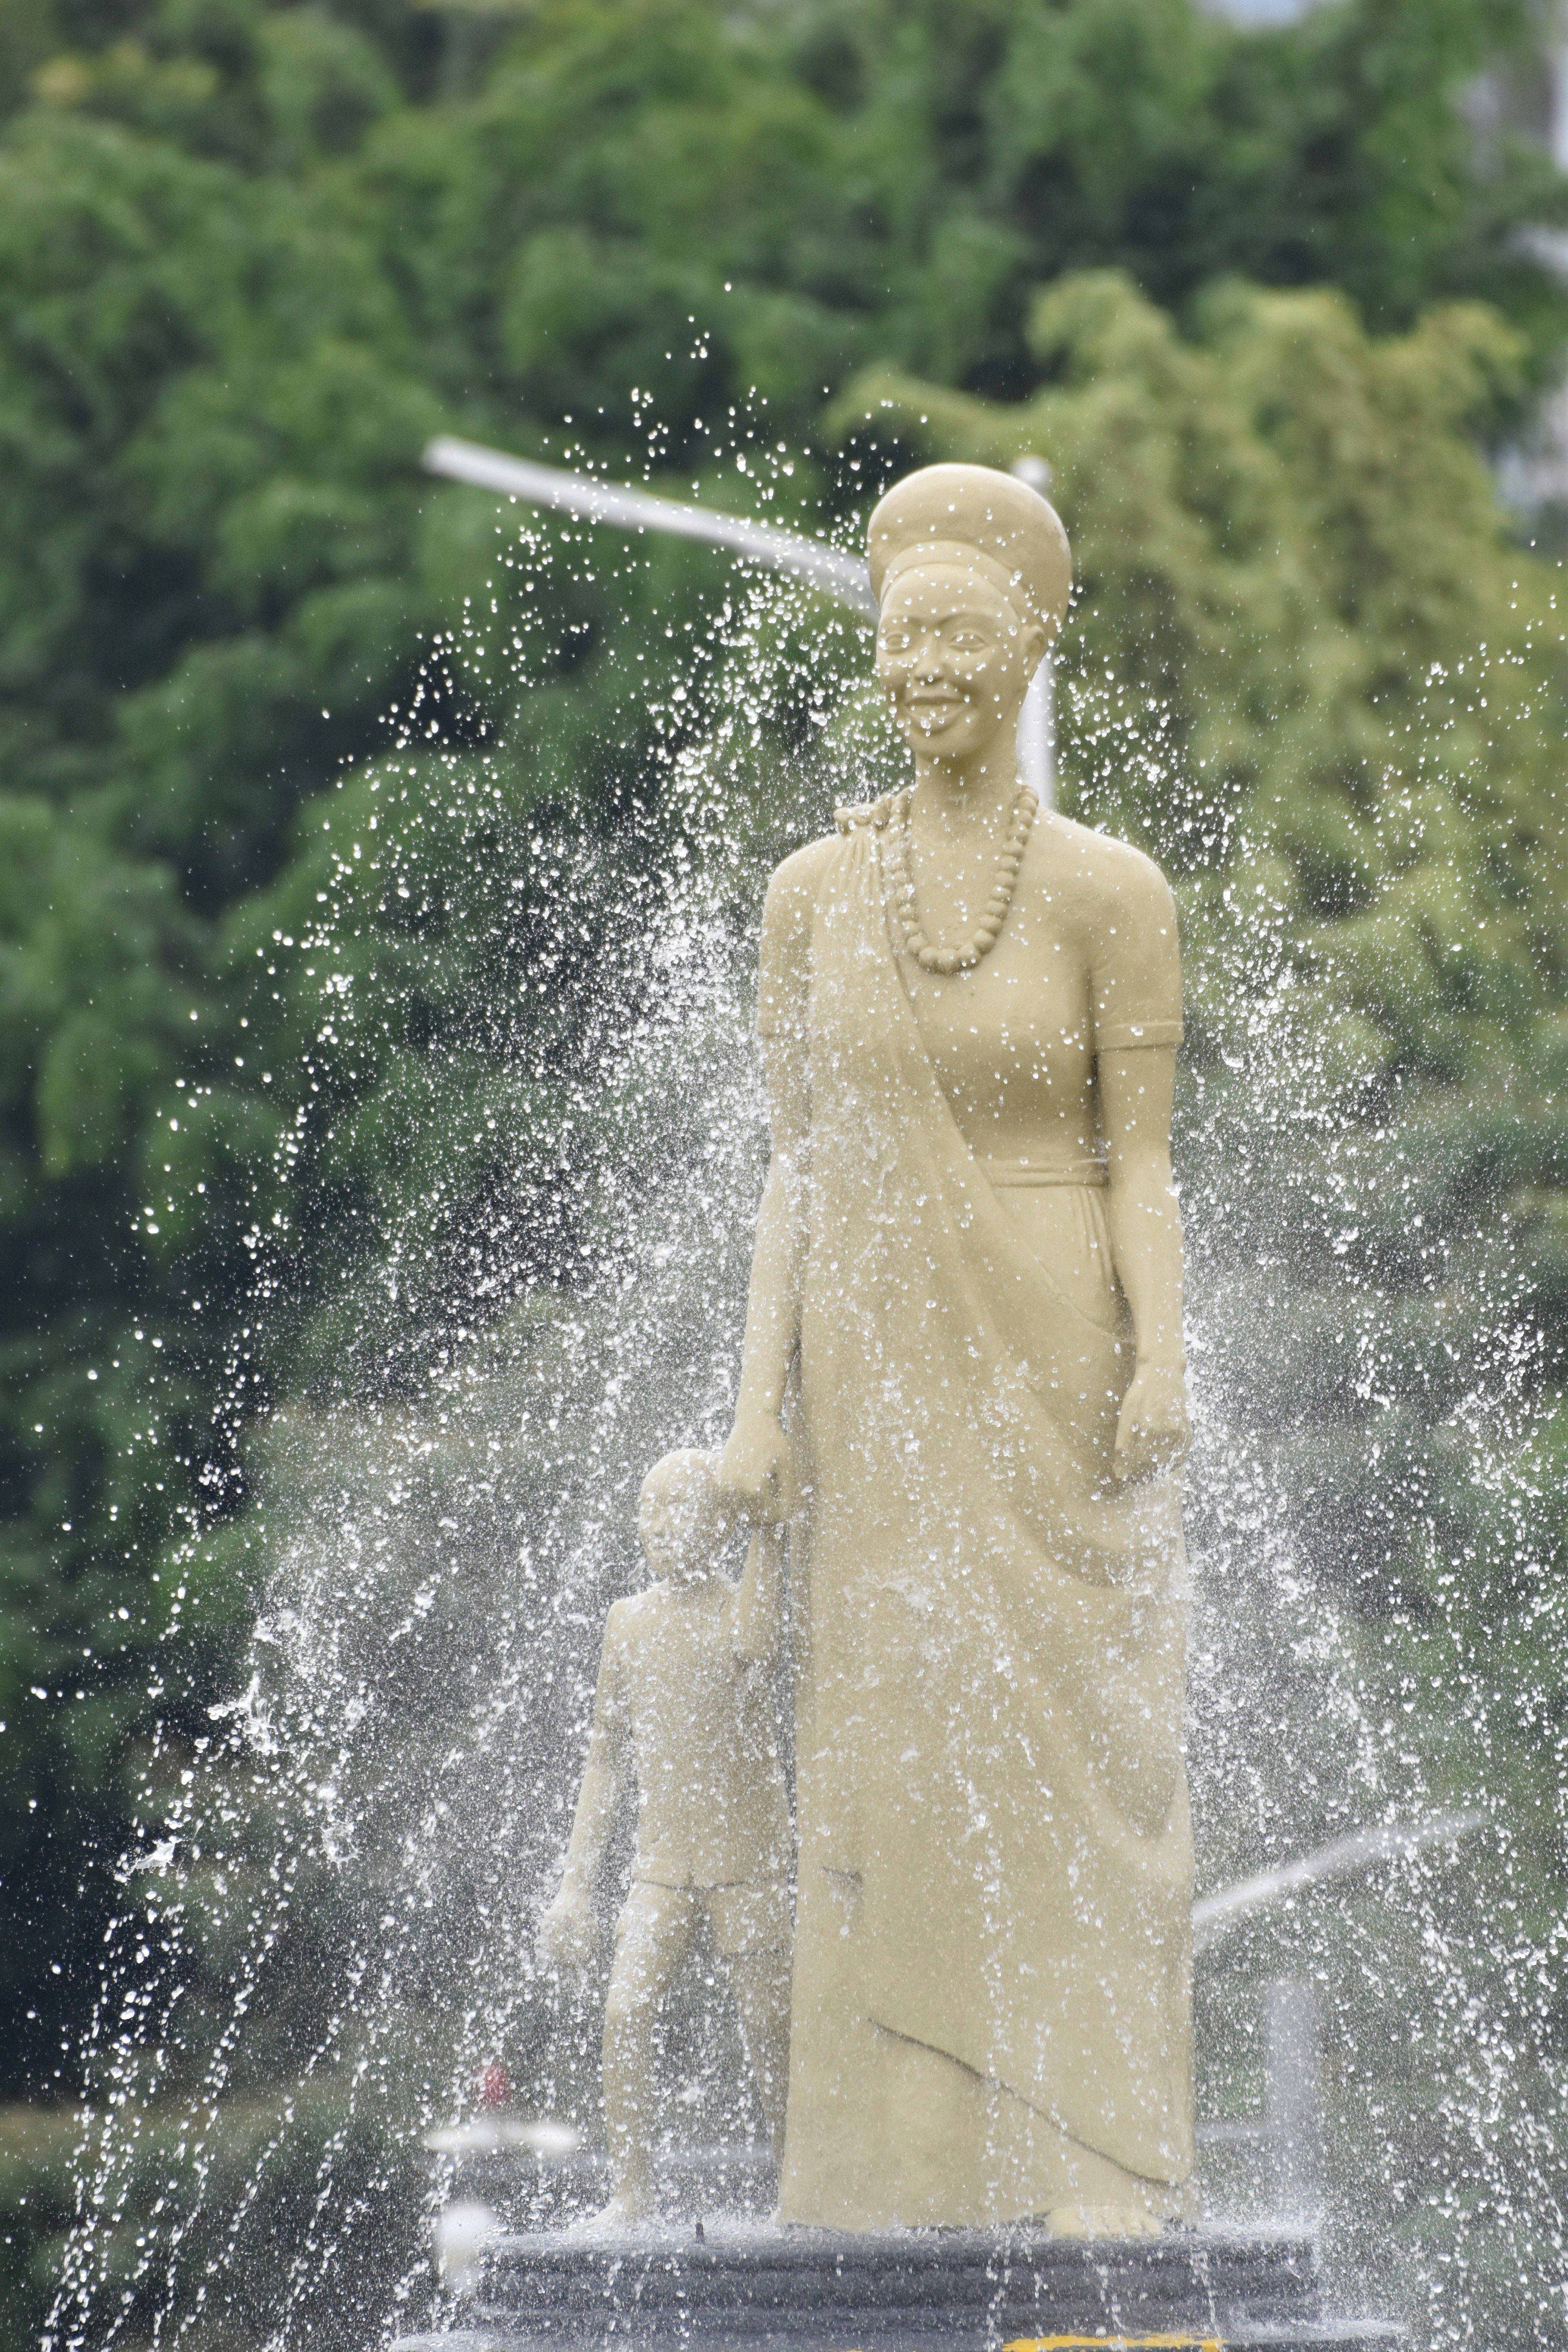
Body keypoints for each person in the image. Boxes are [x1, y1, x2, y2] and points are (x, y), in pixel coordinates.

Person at [719, 463, 1194, 2236]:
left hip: (1057, 1326)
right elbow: (793, 1170)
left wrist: (1160, 1359)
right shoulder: (806, 896)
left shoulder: (1106, 890)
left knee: (1082, 1735)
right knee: (884, 1733)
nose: (922, 669)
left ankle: (1092, 2162)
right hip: (872, 1346)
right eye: (898, 636)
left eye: (957, 636)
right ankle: (875, 2172)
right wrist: (755, 1415)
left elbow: (1140, 1157)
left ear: (1024, 647)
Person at [538, 1449, 792, 2225]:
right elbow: (604, 1757)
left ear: (717, 1524)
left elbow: (759, 1648)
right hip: (661, 1864)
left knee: (767, 2026)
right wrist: (576, 1886)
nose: (654, 1526)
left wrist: (768, 1530)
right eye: (646, 1509)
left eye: (675, 1509)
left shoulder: (745, 1609)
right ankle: (631, 2192)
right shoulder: (628, 1622)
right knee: (625, 2013)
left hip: (748, 1861)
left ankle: (796, 2186)